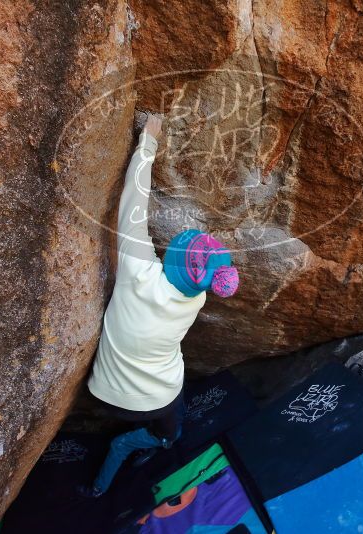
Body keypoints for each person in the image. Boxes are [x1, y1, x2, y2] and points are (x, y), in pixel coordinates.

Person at [78, 113, 240, 497]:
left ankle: (106, 483)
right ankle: (155, 443)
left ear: (172, 258)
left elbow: (134, 204)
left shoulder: (139, 272)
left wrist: (148, 140)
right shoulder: (196, 297)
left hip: (108, 394)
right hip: (160, 395)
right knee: (169, 428)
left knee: (127, 440)